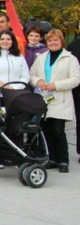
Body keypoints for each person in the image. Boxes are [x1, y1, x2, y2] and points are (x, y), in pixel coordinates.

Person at [29, 29, 80, 173]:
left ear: (61, 41)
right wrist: (38, 81)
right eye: (50, 40)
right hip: (44, 99)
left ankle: (63, 160)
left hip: (60, 99)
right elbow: (32, 74)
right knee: (47, 130)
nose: (52, 42)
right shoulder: (41, 57)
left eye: (55, 40)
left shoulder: (70, 59)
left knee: (58, 130)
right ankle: (52, 158)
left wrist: (56, 85)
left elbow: (76, 79)